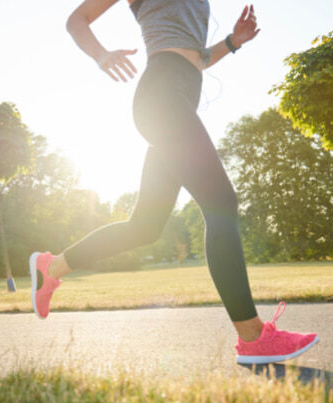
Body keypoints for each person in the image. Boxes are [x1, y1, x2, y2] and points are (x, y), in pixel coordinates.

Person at [29, 0, 318, 364]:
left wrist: (232, 42)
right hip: (162, 96)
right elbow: (77, 19)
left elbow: (196, 56)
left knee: (145, 226)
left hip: (177, 96)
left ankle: (51, 267)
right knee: (221, 205)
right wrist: (101, 56)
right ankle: (252, 336)